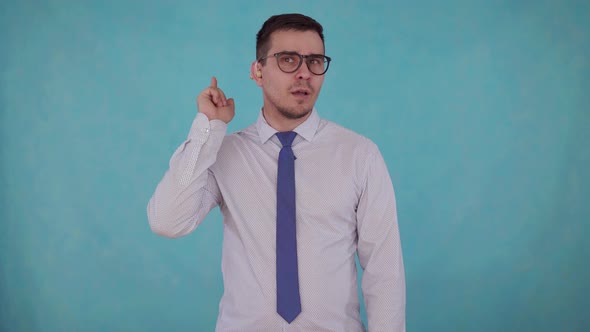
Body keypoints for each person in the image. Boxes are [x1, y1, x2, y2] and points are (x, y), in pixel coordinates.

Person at [147, 13, 405, 332]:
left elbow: (384, 272)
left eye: (315, 61)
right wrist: (209, 127)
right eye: (287, 60)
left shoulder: (359, 154)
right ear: (258, 71)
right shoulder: (225, 152)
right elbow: (168, 221)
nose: (303, 74)